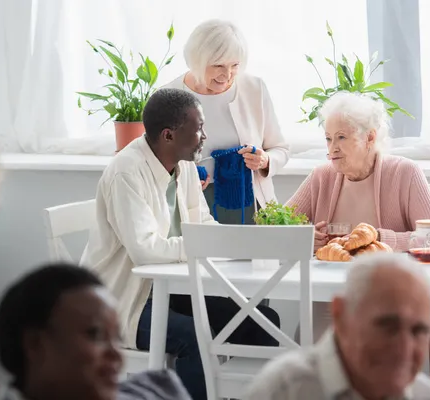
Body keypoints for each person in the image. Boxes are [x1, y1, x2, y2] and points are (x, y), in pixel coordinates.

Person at [80, 88, 280, 400]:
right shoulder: (126, 172)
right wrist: (204, 246)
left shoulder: (183, 163)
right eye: (198, 127)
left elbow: (203, 223)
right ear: (169, 135)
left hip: (170, 291)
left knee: (263, 321)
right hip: (125, 301)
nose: (205, 135)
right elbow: (145, 250)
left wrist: (231, 243)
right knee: (194, 336)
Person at [286, 91, 430, 375]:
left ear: (370, 137)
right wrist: (303, 237)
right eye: (328, 138)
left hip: (391, 302)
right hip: (329, 300)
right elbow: (275, 227)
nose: (332, 147)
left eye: (342, 138)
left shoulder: (405, 172)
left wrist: (384, 238)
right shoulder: (321, 176)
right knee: (313, 365)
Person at [247, 253, 430, 400]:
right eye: (387, 326)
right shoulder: (282, 391)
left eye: (419, 331)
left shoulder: (428, 396)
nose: (404, 349)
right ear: (340, 315)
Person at [0, 263, 191, 400]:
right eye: (95, 335)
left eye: (117, 338)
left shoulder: (160, 389)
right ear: (35, 344)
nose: (117, 356)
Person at [164, 19, 289, 224]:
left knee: (252, 254)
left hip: (249, 203)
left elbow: (280, 149)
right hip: (192, 204)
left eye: (235, 65)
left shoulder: (254, 89)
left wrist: (265, 160)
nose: (227, 74)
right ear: (197, 61)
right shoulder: (168, 97)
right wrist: (183, 174)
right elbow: (154, 164)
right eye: (218, 65)